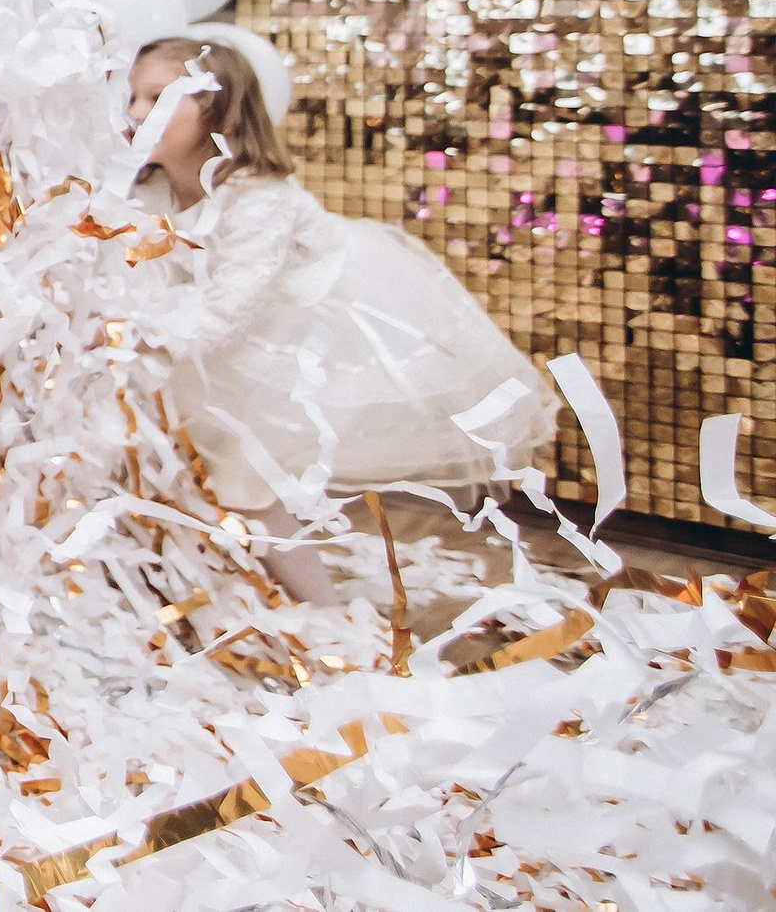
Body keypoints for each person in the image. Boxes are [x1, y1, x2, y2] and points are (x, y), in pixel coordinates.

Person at [126, 33, 559, 604]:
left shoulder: (259, 197)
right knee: (195, 471)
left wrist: (139, 343)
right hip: (201, 338)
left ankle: (322, 615)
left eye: (157, 97)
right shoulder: (149, 188)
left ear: (220, 110)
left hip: (293, 335)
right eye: (132, 97)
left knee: (252, 479)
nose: (135, 114)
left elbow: (232, 306)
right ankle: (221, 587)